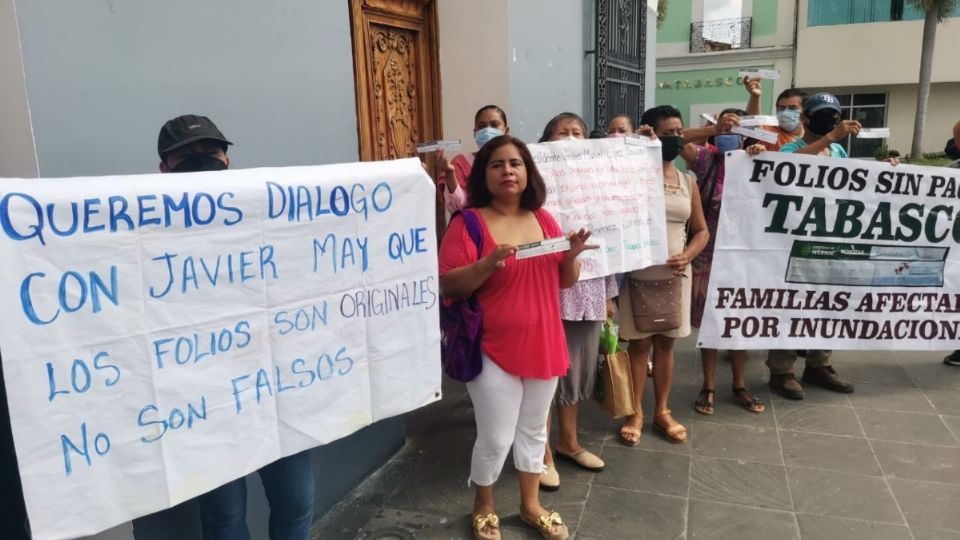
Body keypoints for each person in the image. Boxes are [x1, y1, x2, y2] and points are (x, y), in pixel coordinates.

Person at [157, 114, 316, 540]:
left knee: (297, 503)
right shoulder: (148, 232)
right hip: (206, 401)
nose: (202, 161)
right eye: (187, 155)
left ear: (227, 159)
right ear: (164, 168)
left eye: (210, 153)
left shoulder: (266, 216)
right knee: (225, 518)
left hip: (278, 388)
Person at [439, 134, 594, 540]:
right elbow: (448, 284)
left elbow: (562, 281)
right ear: (483, 175)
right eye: (497, 165)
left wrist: (573, 256)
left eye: (516, 164)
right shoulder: (468, 222)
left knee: (534, 431)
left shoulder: (544, 219)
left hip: (544, 342)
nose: (508, 171)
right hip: (491, 347)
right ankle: (484, 505)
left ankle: (530, 506)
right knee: (496, 435)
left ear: (528, 172)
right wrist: (488, 264)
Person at [618, 106, 709, 445]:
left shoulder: (687, 182)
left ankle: (662, 410)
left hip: (676, 275)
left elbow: (701, 231)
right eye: (666, 132)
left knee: (666, 346)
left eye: (678, 132)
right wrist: (634, 147)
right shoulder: (631, 179)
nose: (675, 138)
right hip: (639, 272)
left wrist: (687, 254)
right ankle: (635, 412)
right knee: (638, 347)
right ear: (651, 134)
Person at [536, 113, 617, 491]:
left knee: (577, 372)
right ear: (545, 143)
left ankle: (568, 443)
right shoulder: (534, 191)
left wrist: (610, 294)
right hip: (549, 292)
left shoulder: (601, 188)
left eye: (577, 133)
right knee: (545, 375)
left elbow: (614, 239)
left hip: (590, 291)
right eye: (562, 133)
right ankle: (541, 455)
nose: (570, 138)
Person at [764, 94, 857, 398]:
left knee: (827, 305)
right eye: (822, 116)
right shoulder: (792, 148)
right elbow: (789, 164)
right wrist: (830, 136)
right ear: (806, 119)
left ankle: (819, 364)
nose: (829, 121)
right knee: (791, 305)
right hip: (794, 243)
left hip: (829, 240)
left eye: (833, 116)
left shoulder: (839, 150)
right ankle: (782, 370)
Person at [683, 108, 768, 416]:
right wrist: (710, 132)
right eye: (725, 123)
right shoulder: (705, 159)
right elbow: (676, 139)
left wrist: (756, 151)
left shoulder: (757, 161)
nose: (730, 129)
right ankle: (708, 386)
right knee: (712, 323)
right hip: (709, 255)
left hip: (745, 256)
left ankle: (740, 384)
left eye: (737, 125)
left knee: (738, 320)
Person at [438, 105, 510, 213]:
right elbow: (457, 207)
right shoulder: (460, 163)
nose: (487, 130)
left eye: (494, 125)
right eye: (482, 126)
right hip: (474, 226)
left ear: (506, 131)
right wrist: (449, 173)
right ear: (475, 132)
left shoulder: (515, 162)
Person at [743, 77, 806, 151]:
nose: (785, 112)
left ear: (805, 111)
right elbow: (753, 124)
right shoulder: (771, 135)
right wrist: (755, 96)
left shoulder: (813, 138)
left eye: (793, 108)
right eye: (781, 108)